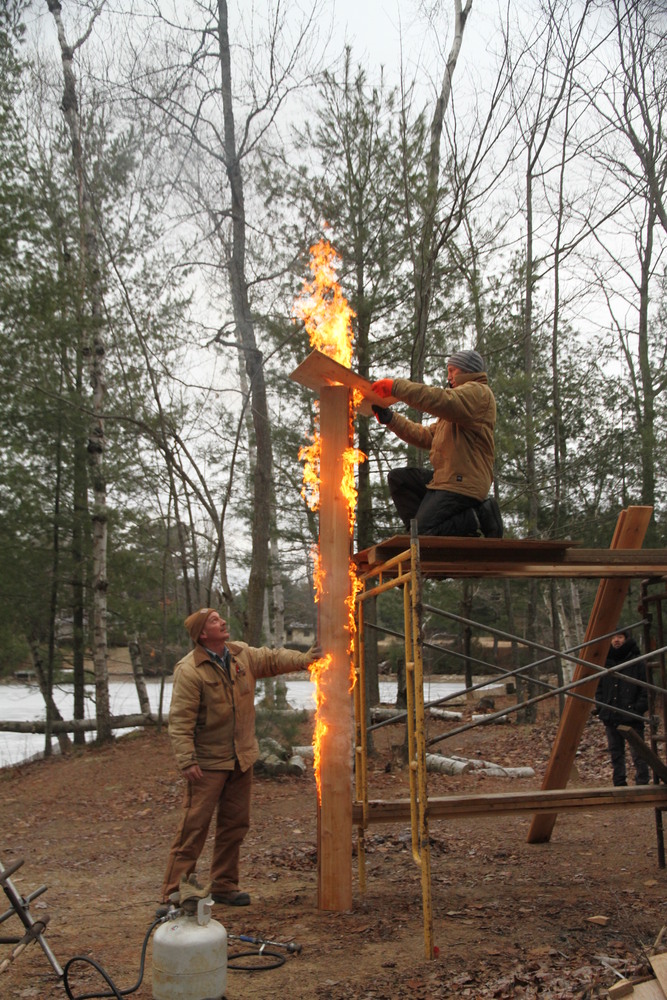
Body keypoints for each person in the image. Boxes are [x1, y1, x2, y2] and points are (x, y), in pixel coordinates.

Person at [161, 608, 320, 907]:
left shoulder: (240, 655)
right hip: (207, 763)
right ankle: (174, 892)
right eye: (214, 621)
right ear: (202, 634)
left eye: (221, 617)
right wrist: (187, 760)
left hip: (241, 758)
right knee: (193, 829)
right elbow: (180, 721)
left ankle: (224, 885)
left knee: (235, 826)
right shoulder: (189, 670)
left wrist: (305, 658)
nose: (222, 622)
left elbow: (272, 658)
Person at [371, 349, 503, 538]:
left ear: (467, 371)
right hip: (446, 479)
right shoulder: (457, 410)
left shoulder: (478, 393)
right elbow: (426, 436)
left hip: (462, 482)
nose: (448, 376)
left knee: (423, 533)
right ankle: (427, 534)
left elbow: (439, 399)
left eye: (452, 370)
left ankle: (477, 517)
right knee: (399, 479)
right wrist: (391, 419)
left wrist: (396, 388)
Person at [594, 629, 650, 787]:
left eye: (620, 637)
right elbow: (599, 688)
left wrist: (637, 709)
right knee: (616, 753)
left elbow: (646, 690)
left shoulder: (637, 661)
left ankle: (642, 782)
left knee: (638, 752)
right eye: (613, 637)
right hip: (610, 714)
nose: (616, 640)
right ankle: (619, 783)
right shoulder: (605, 660)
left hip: (632, 714)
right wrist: (601, 707)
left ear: (626, 639)